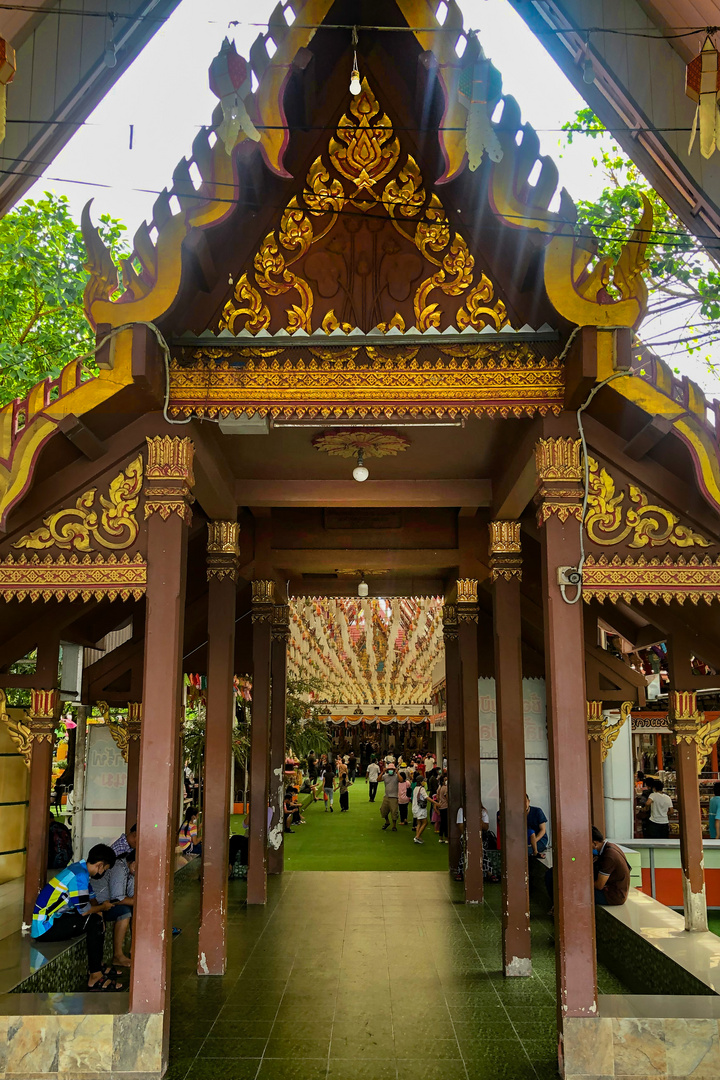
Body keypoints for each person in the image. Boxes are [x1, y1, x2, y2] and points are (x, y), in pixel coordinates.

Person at [31, 843, 122, 991]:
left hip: (56, 919)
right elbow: (84, 911)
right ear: (100, 865)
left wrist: (99, 911)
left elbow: (91, 898)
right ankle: (95, 975)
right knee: (94, 922)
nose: (103, 872)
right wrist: (102, 909)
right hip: (45, 928)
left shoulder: (81, 870)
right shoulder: (79, 875)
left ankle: (97, 965)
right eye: (105, 869)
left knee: (97, 918)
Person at [102, 850, 136, 968]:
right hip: (101, 905)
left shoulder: (131, 871)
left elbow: (132, 895)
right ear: (134, 864)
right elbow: (118, 898)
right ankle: (117, 955)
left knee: (136, 909)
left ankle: (134, 949)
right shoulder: (119, 867)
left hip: (111, 904)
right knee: (125, 912)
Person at [592, 826, 631, 905]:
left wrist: (582, 883)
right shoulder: (611, 846)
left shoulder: (609, 856)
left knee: (577, 893)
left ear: (595, 843)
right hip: (618, 891)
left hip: (613, 896)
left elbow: (599, 885)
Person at [379, 762, 400, 831]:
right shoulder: (385, 776)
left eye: (392, 769)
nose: (391, 770)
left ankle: (394, 826)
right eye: (389, 769)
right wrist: (382, 772)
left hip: (394, 797)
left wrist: (397, 772)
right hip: (386, 796)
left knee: (394, 812)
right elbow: (378, 780)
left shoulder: (396, 776)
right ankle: (387, 821)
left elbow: (401, 780)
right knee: (383, 810)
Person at [412, 774, 429, 844]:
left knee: (419, 823)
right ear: (421, 781)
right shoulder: (422, 789)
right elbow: (426, 797)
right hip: (420, 808)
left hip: (415, 808)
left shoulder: (415, 788)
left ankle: (418, 836)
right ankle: (417, 837)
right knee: (425, 822)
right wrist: (436, 803)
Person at [435, 775, 449, 843]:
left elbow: (437, 797)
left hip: (441, 806)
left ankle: (441, 837)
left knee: (442, 823)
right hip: (445, 806)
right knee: (445, 823)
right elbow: (447, 797)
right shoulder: (445, 788)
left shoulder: (439, 788)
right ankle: (446, 838)